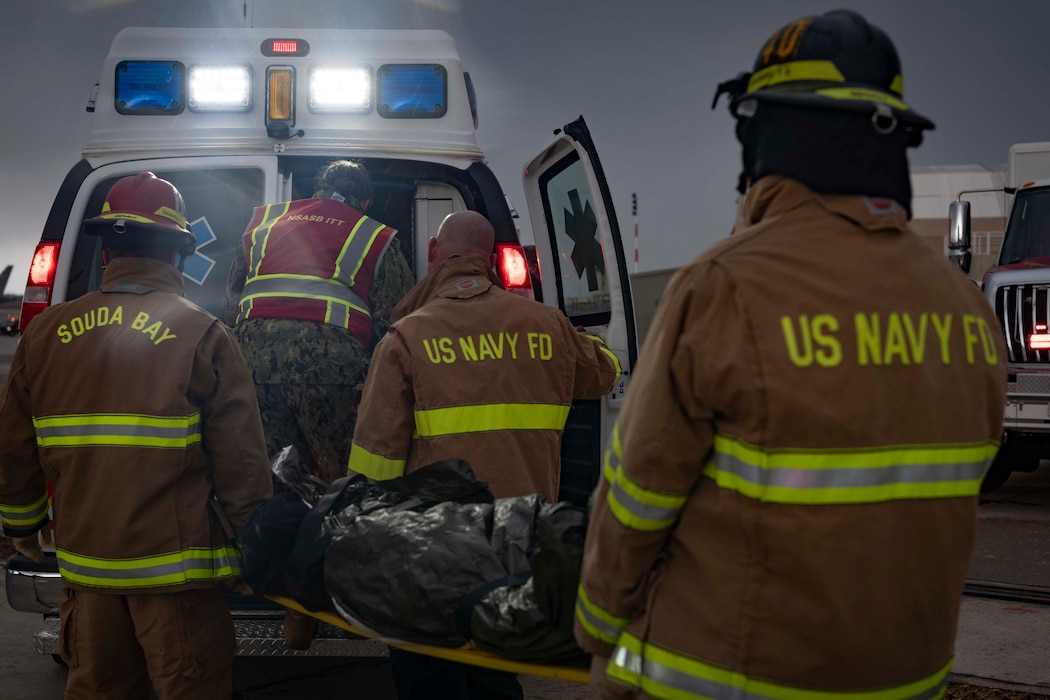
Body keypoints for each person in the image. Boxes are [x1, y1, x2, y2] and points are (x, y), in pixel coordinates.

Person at [575, 10, 1008, 700]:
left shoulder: (722, 285)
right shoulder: (967, 307)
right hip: (909, 682)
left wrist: (598, 635)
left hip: (732, 679)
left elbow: (639, 493)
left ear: (770, 132)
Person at [0, 172, 273, 699]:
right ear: (178, 255)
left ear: (106, 254)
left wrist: (23, 527)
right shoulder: (203, 334)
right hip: (177, 583)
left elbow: (14, 449)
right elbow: (241, 464)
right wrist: (254, 548)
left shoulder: (45, 333)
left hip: (88, 575)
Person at [349, 210, 621, 699]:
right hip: (521, 532)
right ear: (491, 256)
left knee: (425, 661)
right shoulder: (548, 327)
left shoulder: (406, 337)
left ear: (434, 254)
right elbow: (602, 374)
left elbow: (376, 460)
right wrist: (584, 342)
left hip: (435, 537)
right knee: (497, 659)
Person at [223, 158, 414, 649]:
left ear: (314, 190)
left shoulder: (262, 222)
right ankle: (320, 605)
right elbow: (397, 319)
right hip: (330, 369)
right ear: (365, 199)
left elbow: (232, 301)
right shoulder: (375, 235)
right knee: (338, 485)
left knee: (271, 481)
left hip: (255, 365)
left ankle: (263, 585)